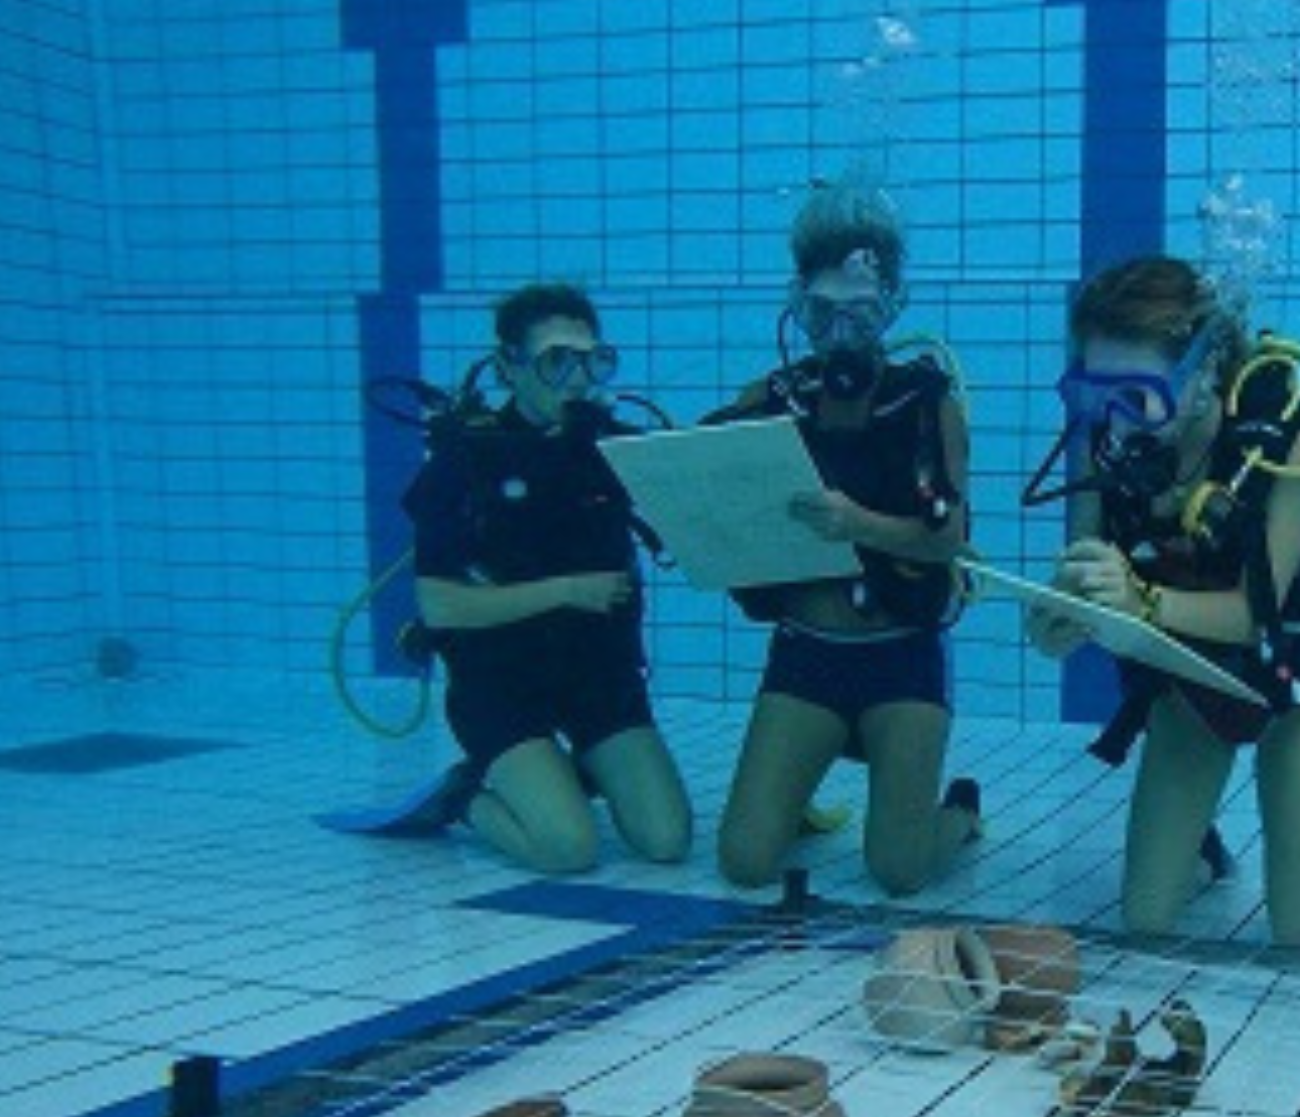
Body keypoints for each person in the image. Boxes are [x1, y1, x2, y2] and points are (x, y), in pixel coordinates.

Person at [1028, 255, 1300, 946]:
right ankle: (1203, 851)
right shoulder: (1103, 451)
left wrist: (1139, 602)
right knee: (1147, 919)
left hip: (1288, 680)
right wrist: (1054, 623)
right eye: (1092, 393)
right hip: (1193, 677)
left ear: (1201, 376)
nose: (1116, 421)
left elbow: (1258, 614)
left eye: (1137, 395)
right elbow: (1074, 596)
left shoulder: (1285, 447)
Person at [707, 184, 979, 897]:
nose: (842, 334)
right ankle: (790, 795)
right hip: (807, 654)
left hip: (899, 655)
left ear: (891, 306)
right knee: (743, 861)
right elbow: (698, 471)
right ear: (799, 308)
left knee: (898, 869)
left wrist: (857, 525)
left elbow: (947, 538)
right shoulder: (771, 399)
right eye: (824, 313)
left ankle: (960, 813)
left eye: (860, 313)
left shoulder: (928, 405)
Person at [401, 283, 693, 873]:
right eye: (558, 361)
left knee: (666, 841)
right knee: (568, 848)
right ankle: (466, 798)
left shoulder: (614, 449)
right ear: (510, 365)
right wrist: (568, 591)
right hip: (501, 685)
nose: (580, 379)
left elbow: (696, 513)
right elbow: (441, 608)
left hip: (596, 678)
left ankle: (570, 771)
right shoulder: (466, 459)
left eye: (591, 360)